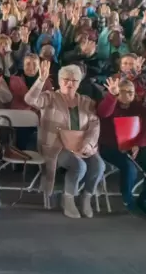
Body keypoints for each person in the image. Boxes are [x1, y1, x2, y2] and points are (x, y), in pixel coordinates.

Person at [25, 61, 102, 219]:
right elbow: (30, 100)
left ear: (79, 83)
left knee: (98, 165)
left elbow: (95, 124)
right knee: (79, 166)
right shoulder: (50, 97)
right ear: (59, 81)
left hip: (81, 145)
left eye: (74, 80)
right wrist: (41, 80)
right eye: (66, 79)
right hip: (55, 147)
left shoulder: (86, 101)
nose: (69, 83)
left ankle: (86, 197)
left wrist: (88, 143)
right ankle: (68, 198)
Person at [96, 77, 146, 217]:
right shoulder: (110, 104)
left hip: (135, 147)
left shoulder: (139, 108)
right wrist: (111, 96)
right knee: (128, 165)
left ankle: (145, 199)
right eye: (122, 91)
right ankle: (128, 201)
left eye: (130, 92)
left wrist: (138, 144)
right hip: (111, 147)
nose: (127, 95)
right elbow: (103, 113)